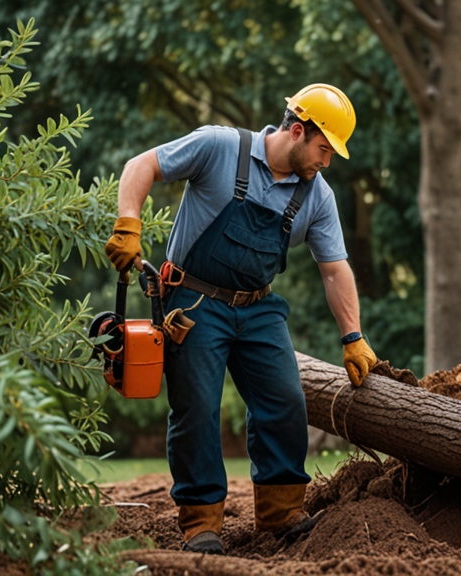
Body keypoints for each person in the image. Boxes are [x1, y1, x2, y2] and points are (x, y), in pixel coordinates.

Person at [104, 83, 378, 555]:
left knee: (284, 400)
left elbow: (335, 270)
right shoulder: (219, 146)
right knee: (197, 409)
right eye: (323, 148)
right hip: (193, 303)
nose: (326, 161)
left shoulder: (317, 195)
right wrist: (128, 223)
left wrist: (353, 337)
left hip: (258, 307)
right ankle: (201, 522)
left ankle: (281, 512)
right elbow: (141, 165)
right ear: (297, 131)